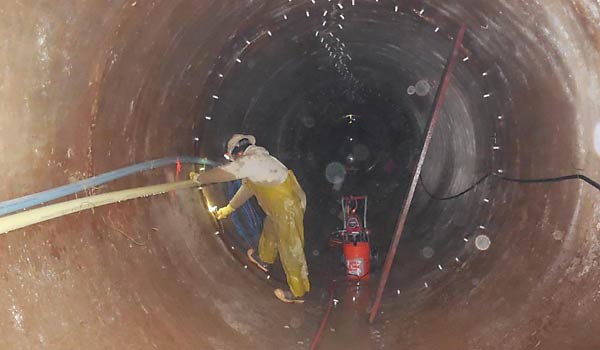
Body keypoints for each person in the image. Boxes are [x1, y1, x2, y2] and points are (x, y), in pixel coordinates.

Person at [189, 134, 310, 303]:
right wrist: (228, 209)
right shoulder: (258, 163)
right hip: (281, 207)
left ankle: (298, 292)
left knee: (290, 247)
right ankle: (265, 259)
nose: (234, 161)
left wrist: (200, 178)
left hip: (288, 206)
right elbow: (247, 190)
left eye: (233, 158)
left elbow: (226, 173)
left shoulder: (254, 161)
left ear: (238, 153)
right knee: (270, 232)